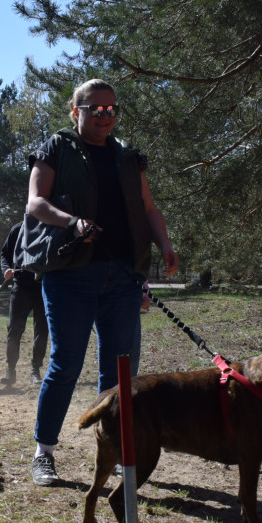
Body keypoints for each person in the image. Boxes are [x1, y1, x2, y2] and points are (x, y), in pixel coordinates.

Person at [26, 78, 179, 486]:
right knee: (66, 362)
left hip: (123, 277)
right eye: (95, 108)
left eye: (112, 109)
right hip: (71, 275)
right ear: (75, 110)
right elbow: (36, 202)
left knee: (119, 371)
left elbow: (149, 208)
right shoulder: (56, 148)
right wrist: (71, 222)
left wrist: (164, 245)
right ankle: (44, 452)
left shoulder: (128, 157)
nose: (104, 115)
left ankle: (112, 454)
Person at [0, 222, 48, 386]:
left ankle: (35, 370)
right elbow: (5, 254)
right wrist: (6, 269)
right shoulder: (17, 229)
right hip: (21, 286)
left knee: (41, 330)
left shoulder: (50, 228)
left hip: (44, 287)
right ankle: (10, 369)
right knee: (14, 329)